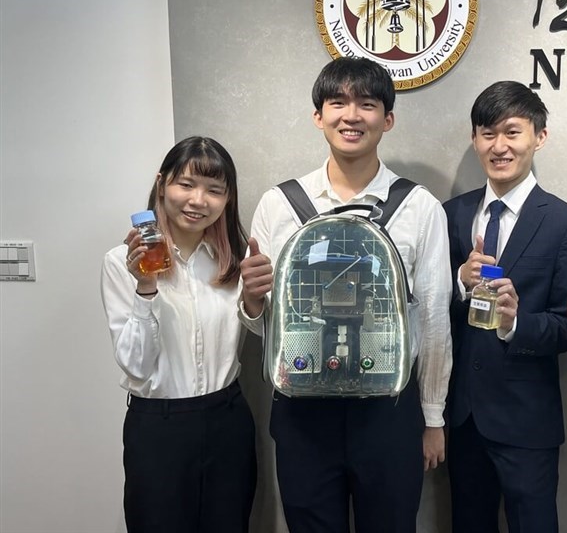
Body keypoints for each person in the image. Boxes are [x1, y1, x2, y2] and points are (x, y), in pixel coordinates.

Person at [239, 56, 452, 533]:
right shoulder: (280, 205)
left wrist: (432, 416)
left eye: (367, 104)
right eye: (337, 103)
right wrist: (252, 302)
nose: (351, 115)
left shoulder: (419, 208)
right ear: (319, 116)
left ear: (387, 119)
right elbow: (265, 324)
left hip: (390, 409)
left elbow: (435, 318)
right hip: (300, 408)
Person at [443, 81, 567, 533]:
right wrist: (459, 283)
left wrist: (514, 324)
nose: (499, 146)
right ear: (475, 140)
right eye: (487, 133)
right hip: (463, 416)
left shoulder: (566, 223)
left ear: (538, 137)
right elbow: (427, 310)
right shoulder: (450, 215)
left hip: (528, 420)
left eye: (512, 132)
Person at [100, 137, 257, 533]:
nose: (198, 200)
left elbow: (257, 329)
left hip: (227, 420)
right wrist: (146, 288)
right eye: (185, 184)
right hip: (158, 427)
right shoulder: (121, 263)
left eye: (214, 190)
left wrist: (257, 298)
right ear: (161, 184)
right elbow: (136, 364)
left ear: (227, 199)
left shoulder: (234, 261)